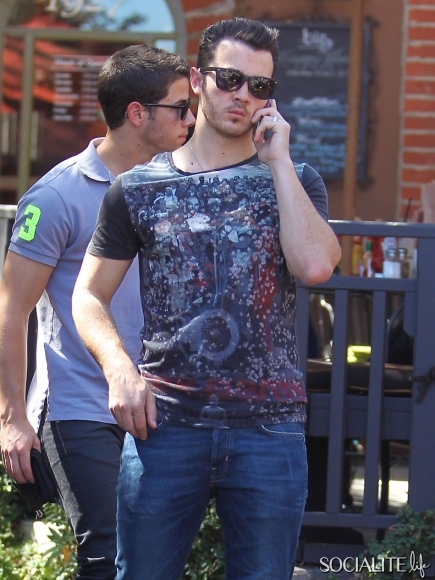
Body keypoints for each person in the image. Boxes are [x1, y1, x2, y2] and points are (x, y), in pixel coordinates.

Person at [72, 18, 342, 580]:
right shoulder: (137, 188)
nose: (242, 94)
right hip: (164, 426)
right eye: (229, 78)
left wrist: (279, 162)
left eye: (259, 85)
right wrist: (119, 370)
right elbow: (89, 294)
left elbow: (316, 266)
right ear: (197, 79)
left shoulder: (294, 178)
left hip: (269, 428)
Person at [0, 44, 195, 580]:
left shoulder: (178, 186)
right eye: (180, 108)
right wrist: (12, 418)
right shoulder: (56, 196)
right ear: (137, 113)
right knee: (107, 557)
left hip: (160, 405)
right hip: (81, 407)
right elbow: (11, 311)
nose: (191, 119)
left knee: (154, 559)